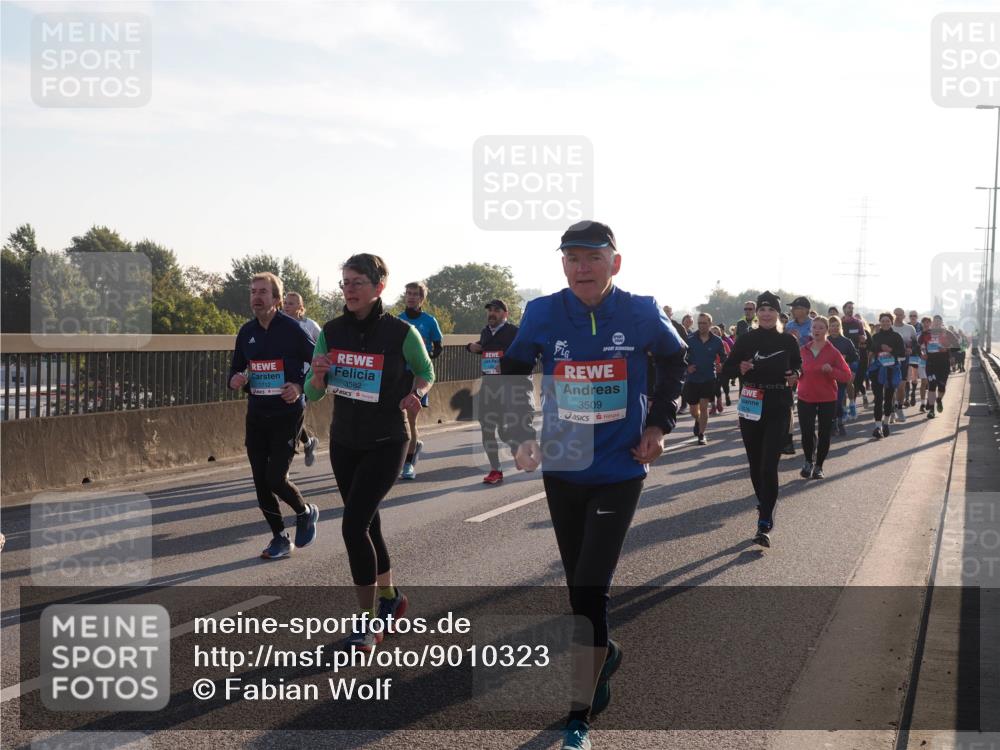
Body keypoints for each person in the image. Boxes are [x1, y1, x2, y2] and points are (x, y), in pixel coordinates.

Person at [500, 220, 686, 750]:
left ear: (615, 263)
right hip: (563, 468)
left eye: (593, 258)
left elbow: (675, 362)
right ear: (562, 265)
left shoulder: (642, 311)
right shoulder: (542, 312)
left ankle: (578, 714)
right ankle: (606, 656)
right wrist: (518, 436)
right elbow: (510, 371)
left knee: (590, 589)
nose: (582, 268)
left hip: (620, 468)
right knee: (576, 590)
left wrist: (660, 425)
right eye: (572, 258)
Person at [305, 254, 434, 650]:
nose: (349, 290)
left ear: (379, 287)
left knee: (352, 526)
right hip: (344, 442)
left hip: (386, 441)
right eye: (344, 282)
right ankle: (392, 599)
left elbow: (426, 373)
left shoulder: (401, 332)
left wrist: (417, 394)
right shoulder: (330, 331)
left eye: (358, 282)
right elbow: (312, 392)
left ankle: (366, 623)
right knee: (369, 524)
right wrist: (320, 374)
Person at [229, 272, 319, 560]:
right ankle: (279, 536)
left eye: (263, 292)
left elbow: (316, 361)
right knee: (259, 480)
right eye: (253, 291)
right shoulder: (246, 332)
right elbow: (237, 369)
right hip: (257, 413)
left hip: (287, 413)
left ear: (277, 299)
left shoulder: (292, 329)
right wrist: (236, 380)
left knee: (275, 478)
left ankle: (305, 512)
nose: (256, 296)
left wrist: (299, 386)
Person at [720, 291, 800, 548]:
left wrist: (794, 375)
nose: (766, 313)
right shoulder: (746, 339)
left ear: (778, 314)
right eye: (762, 309)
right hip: (751, 404)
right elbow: (727, 369)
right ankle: (765, 503)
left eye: (771, 310)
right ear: (757, 314)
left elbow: (799, 368)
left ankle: (764, 520)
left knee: (768, 465)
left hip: (778, 404)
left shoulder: (788, 340)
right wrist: (739, 368)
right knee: (755, 464)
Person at [467, 299, 520, 484]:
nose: (492, 313)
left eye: (497, 310)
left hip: (507, 388)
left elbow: (527, 355)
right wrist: (472, 348)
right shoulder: (485, 332)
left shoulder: (514, 332)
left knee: (505, 431)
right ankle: (495, 470)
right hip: (488, 388)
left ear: (505, 314)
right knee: (487, 429)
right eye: (489, 310)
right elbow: (484, 348)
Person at [796, 316, 852, 479]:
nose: (817, 331)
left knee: (824, 433)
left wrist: (832, 371)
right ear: (810, 330)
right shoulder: (803, 350)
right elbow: (796, 370)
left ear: (826, 330)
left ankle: (819, 466)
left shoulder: (833, 352)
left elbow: (846, 375)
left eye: (820, 328)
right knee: (806, 432)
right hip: (805, 397)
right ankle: (808, 462)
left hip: (827, 398)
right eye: (814, 328)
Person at [398, 281, 443, 479]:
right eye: (408, 293)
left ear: (421, 298)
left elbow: (438, 346)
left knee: (410, 419)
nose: (411, 297)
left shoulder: (430, 321)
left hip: (418, 376)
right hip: (399, 375)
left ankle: (408, 464)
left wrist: (425, 356)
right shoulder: (397, 320)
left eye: (415, 294)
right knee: (396, 420)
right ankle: (410, 448)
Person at [283, 291, 321, 466]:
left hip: (304, 378)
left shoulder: (310, 326)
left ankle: (285, 461)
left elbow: (321, 347)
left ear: (300, 306)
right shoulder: (279, 324)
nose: (287, 305)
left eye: (291, 303)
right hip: (284, 376)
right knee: (291, 415)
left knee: (295, 414)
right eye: (285, 303)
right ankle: (308, 442)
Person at [684, 314, 726, 444]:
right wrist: (687, 367)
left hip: (708, 378)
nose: (701, 326)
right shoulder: (689, 339)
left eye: (704, 323)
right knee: (693, 410)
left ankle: (702, 434)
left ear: (710, 324)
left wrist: (721, 365)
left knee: (703, 407)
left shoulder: (717, 340)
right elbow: (681, 357)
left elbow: (723, 357)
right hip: (692, 379)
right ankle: (697, 420)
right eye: (699, 323)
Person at [867, 312, 905, 439]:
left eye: (887, 321)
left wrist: (891, 350)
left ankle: (886, 423)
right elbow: (872, 350)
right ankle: (877, 427)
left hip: (891, 369)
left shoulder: (896, 336)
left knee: (888, 398)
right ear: (880, 322)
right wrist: (869, 361)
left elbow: (902, 352)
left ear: (891, 322)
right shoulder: (876, 336)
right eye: (883, 321)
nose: (885, 323)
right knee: (878, 398)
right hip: (878, 369)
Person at [919, 316, 959, 419]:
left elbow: (957, 346)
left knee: (942, 387)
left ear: (941, 323)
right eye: (935, 322)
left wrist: (946, 349)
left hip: (943, 364)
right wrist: (922, 353)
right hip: (931, 363)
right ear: (932, 323)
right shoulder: (926, 333)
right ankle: (931, 410)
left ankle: (939, 400)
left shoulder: (947, 333)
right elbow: (918, 346)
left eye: (938, 322)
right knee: (932, 386)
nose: (936, 324)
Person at [826, 315, 858, 435]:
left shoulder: (846, 341)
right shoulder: (825, 341)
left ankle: (840, 423)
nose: (834, 328)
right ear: (828, 327)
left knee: (838, 400)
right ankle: (832, 423)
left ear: (840, 327)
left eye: (836, 326)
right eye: (832, 326)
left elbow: (855, 357)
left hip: (841, 375)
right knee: (828, 401)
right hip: (826, 376)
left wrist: (846, 358)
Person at [841, 301, 871, 414]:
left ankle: (852, 404)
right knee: (841, 384)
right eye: (848, 308)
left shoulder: (857, 322)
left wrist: (863, 338)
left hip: (854, 356)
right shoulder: (840, 322)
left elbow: (863, 336)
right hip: (841, 356)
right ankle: (843, 410)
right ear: (844, 309)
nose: (850, 310)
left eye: (852, 308)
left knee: (849, 382)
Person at [891, 308, 918, 423]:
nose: (898, 316)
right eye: (896, 314)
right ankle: (891, 410)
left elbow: (916, 343)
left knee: (901, 386)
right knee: (891, 388)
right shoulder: (889, 328)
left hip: (904, 361)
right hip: (891, 361)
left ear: (903, 316)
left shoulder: (910, 328)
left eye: (900, 314)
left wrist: (911, 349)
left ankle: (899, 408)